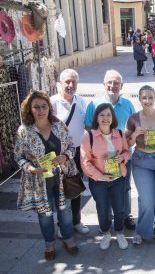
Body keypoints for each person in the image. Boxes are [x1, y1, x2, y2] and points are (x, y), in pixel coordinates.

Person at [14, 91, 79, 260]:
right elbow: (18, 156)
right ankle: (49, 243)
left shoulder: (59, 126)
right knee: (45, 214)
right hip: (39, 182)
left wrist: (65, 156)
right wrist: (30, 168)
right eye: (36, 107)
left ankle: (68, 238)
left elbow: (72, 147)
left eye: (44, 107)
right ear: (30, 109)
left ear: (49, 108)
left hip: (62, 178)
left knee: (65, 212)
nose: (41, 110)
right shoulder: (24, 131)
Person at [85, 70, 136, 231]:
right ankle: (106, 220)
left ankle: (125, 215)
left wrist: (125, 149)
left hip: (122, 156)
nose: (113, 86)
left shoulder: (128, 104)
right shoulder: (93, 105)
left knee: (124, 187)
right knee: (103, 190)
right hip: (100, 159)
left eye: (116, 83)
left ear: (122, 86)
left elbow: (134, 127)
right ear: (104, 84)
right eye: (110, 82)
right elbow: (88, 128)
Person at [125, 85, 155, 244]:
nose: (148, 100)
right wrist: (134, 135)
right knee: (146, 199)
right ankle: (143, 232)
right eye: (144, 97)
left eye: (150, 97)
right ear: (139, 100)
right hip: (141, 160)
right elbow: (127, 143)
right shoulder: (133, 118)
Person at [81, 104, 130, 250]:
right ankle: (106, 233)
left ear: (113, 117)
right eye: (101, 115)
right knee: (102, 209)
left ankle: (120, 232)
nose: (105, 118)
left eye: (108, 115)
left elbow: (127, 152)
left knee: (119, 208)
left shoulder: (119, 134)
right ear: (96, 117)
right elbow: (85, 162)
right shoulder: (88, 136)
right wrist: (100, 176)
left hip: (118, 179)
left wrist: (122, 157)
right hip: (99, 181)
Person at [50, 69, 89, 236]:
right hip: (59, 153)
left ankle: (76, 221)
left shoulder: (81, 102)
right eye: (67, 82)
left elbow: (87, 126)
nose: (71, 85)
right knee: (60, 190)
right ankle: (62, 224)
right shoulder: (52, 103)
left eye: (74, 82)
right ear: (60, 83)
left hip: (78, 152)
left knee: (76, 188)